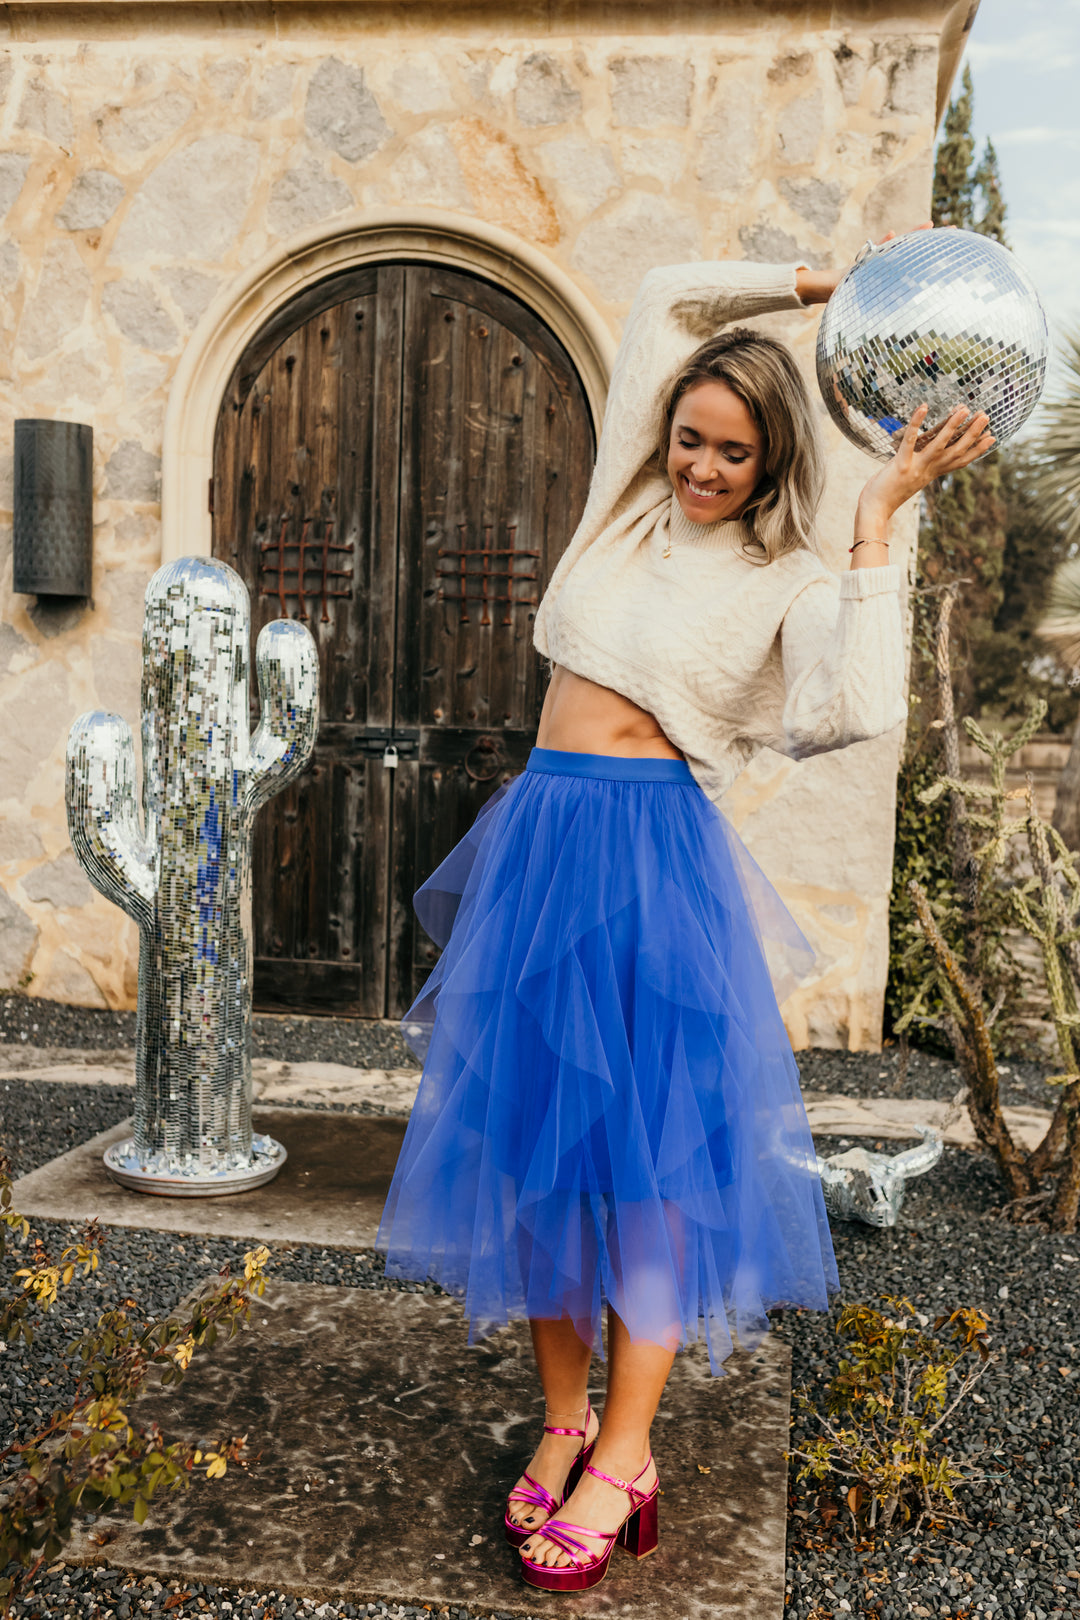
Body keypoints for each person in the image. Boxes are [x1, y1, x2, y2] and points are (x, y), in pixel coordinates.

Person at [376, 246, 994, 1594]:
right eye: (692, 438)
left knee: (646, 1178)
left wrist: (882, 509)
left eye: (734, 454)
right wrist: (808, 282)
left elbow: (854, 705)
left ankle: (631, 1453)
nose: (704, 466)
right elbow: (664, 300)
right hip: (541, 847)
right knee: (538, 1163)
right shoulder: (621, 510)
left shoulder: (780, 578)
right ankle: (562, 1417)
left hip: (655, 864)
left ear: (771, 467)